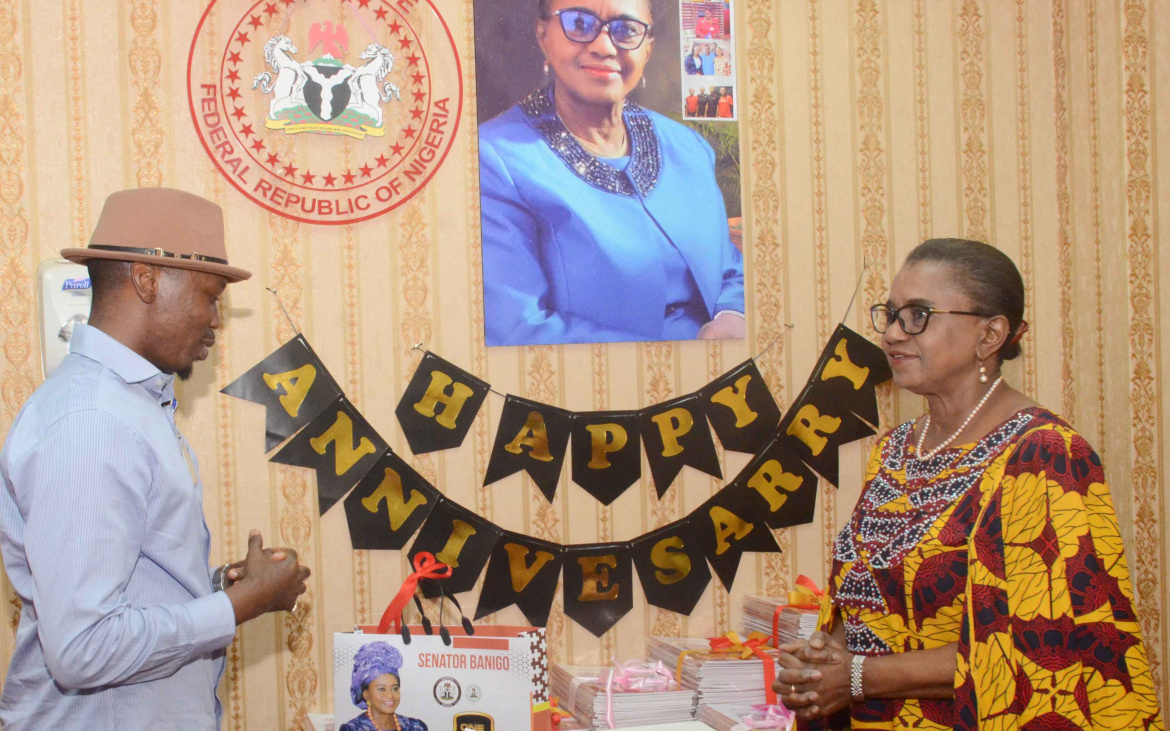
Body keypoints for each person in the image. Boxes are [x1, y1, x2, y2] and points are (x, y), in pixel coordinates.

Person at [773, 239, 1164, 730]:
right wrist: (820, 662)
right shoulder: (895, 448)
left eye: (918, 315)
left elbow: (1042, 647)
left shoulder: (1044, 456)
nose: (892, 333)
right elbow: (872, 602)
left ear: (990, 335)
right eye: (890, 314)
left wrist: (856, 677)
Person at [0, 188, 311, 730]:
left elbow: (125, 588)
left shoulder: (130, 407)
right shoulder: (92, 422)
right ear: (146, 280)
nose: (215, 320)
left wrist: (217, 587)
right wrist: (240, 606)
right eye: (209, 296)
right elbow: (83, 649)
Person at [478, 0, 745, 344]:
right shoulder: (494, 158)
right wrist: (676, 361)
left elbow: (730, 269)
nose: (604, 47)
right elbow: (517, 327)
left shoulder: (688, 147)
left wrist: (733, 316)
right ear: (543, 35)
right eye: (579, 23)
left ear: (648, 49)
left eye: (626, 30)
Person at [340, 642, 427, 731]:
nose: (390, 695)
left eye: (394, 688)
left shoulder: (416, 727)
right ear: (366, 694)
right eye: (382, 689)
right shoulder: (352, 729)